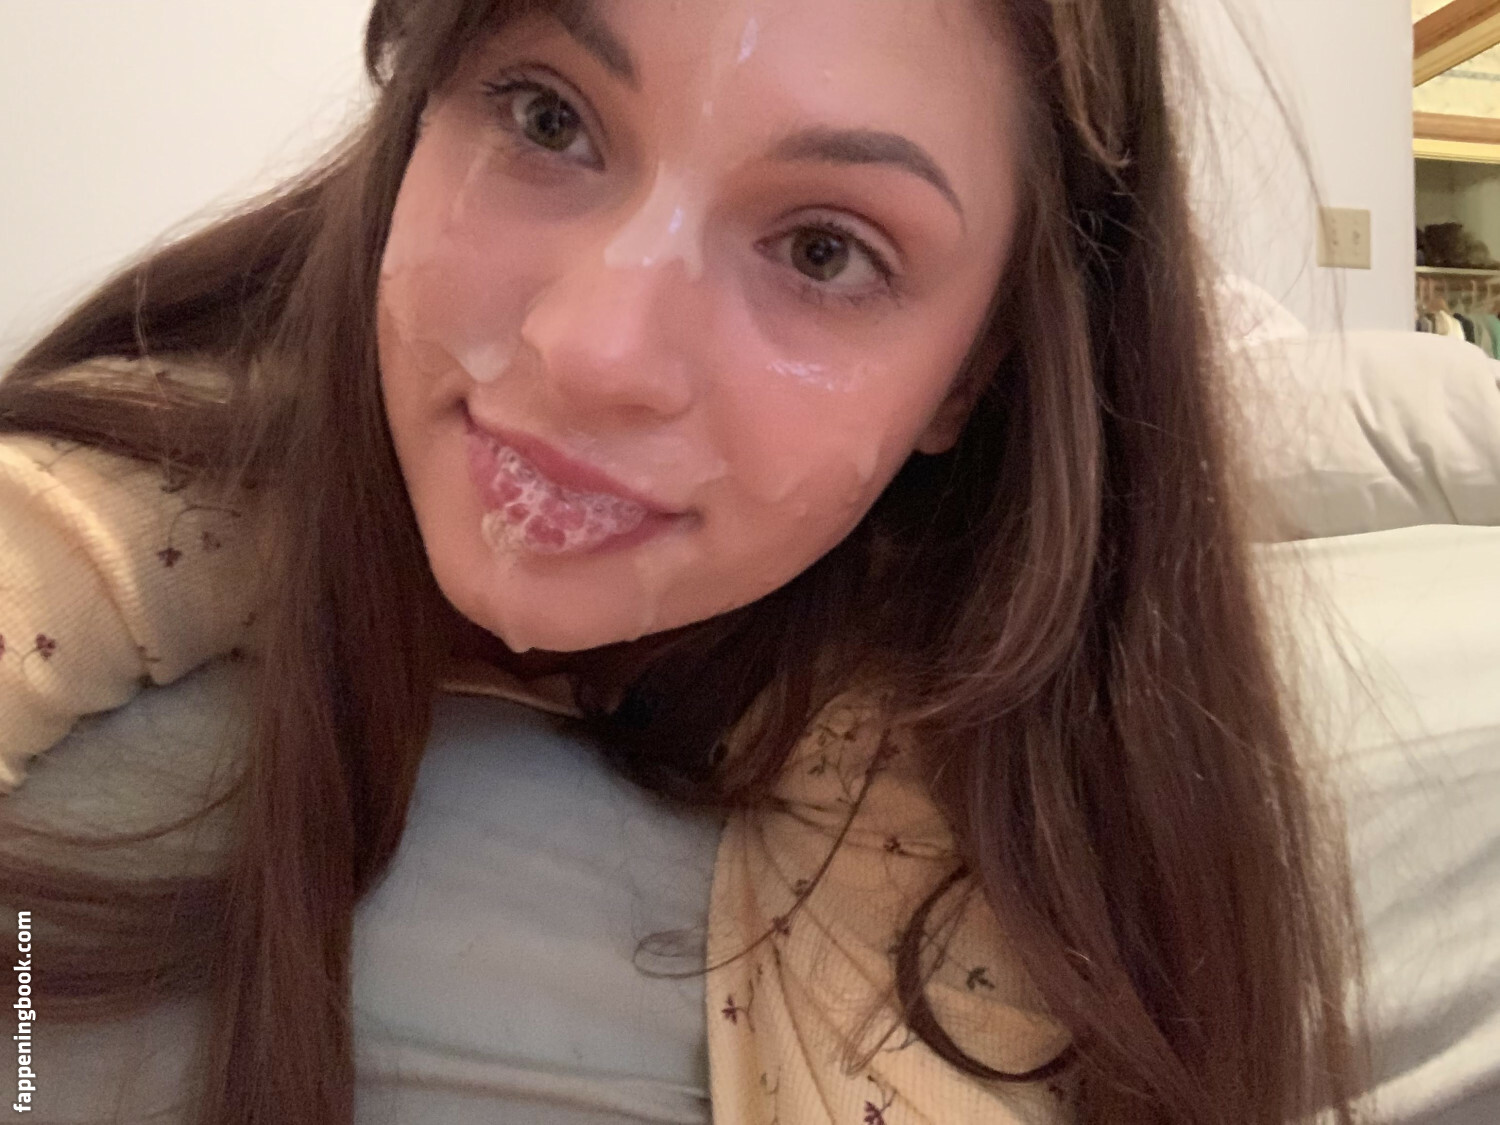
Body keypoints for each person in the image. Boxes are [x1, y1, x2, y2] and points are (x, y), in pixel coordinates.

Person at [0, 0, 1371, 1122]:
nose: (594, 350)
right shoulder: (129, 483)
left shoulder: (1059, 767)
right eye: (548, 118)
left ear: (973, 378)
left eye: (824, 251)